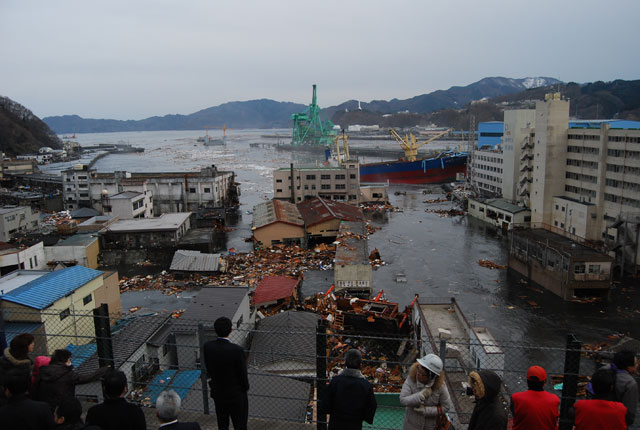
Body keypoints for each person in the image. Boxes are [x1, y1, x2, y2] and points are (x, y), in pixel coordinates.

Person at [203, 316, 250, 430]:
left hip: (218, 391)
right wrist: (245, 387)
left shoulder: (208, 347)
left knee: (222, 423)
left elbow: (209, 369)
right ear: (230, 330)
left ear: (215, 330)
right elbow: (242, 374)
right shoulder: (237, 350)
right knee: (240, 424)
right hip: (236, 393)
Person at [36, 349, 110, 410]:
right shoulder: (67, 374)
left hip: (45, 405)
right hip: (63, 405)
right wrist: (103, 370)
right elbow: (87, 378)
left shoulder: (44, 371)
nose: (70, 361)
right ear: (64, 361)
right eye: (68, 359)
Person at [322, 349, 377, 430]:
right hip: (355, 424)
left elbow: (326, 401)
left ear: (345, 363)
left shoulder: (336, 381)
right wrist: (362, 416)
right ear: (360, 365)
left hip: (336, 422)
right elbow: (372, 405)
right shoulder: (365, 385)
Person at [399, 353, 453, 430]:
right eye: (418, 369)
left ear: (431, 376)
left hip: (431, 426)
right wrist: (420, 396)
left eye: (422, 373)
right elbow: (403, 400)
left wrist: (426, 411)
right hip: (411, 425)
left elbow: (446, 407)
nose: (418, 374)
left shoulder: (440, 386)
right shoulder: (411, 379)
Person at [510, 365, 560, 430]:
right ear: (544, 382)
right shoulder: (554, 400)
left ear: (527, 381)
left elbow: (515, 415)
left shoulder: (516, 398)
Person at [606, 350, 639, 427]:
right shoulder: (630, 383)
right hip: (616, 422)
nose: (637, 365)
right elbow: (629, 414)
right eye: (636, 363)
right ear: (628, 367)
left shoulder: (603, 370)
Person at [0, 333, 35, 405]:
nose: (33, 344)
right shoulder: (22, 366)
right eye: (31, 343)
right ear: (24, 347)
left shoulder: (5, 359)